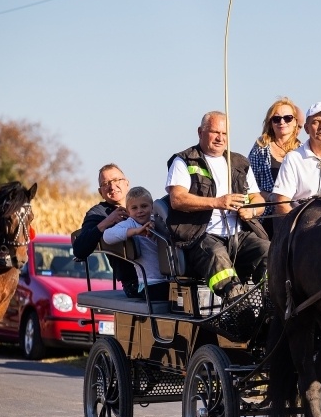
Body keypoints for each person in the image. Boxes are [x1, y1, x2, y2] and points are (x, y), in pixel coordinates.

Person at [165, 111, 269, 301]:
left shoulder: (239, 162)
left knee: (268, 251)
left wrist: (251, 210)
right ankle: (236, 303)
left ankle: (271, 302)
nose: (220, 138)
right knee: (217, 255)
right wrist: (217, 202)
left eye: (224, 133)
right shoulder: (184, 160)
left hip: (239, 236)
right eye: (214, 132)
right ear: (200, 132)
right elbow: (177, 199)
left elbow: (258, 198)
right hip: (201, 237)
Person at [72, 163, 141, 297]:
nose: (112, 186)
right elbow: (79, 249)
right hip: (135, 283)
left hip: (161, 276)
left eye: (116, 180)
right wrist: (108, 222)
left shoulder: (143, 204)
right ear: (100, 192)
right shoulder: (98, 214)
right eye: (105, 183)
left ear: (127, 183)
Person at [248, 97, 304, 239]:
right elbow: (248, 186)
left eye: (287, 118)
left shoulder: (304, 152)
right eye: (276, 119)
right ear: (270, 123)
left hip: (297, 217)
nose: (282, 122)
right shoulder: (259, 149)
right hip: (266, 217)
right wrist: (273, 197)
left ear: (296, 122)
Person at [102, 186, 169, 300]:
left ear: (152, 207)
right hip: (150, 284)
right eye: (134, 208)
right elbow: (107, 236)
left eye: (144, 206)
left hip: (167, 280)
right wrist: (136, 232)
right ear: (128, 212)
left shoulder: (157, 222)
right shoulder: (131, 224)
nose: (140, 211)